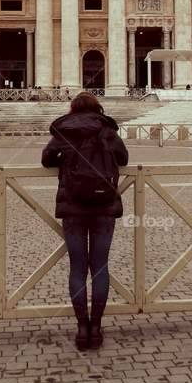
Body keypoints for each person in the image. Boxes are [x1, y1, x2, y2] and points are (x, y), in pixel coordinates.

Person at [42, 92, 129, 351]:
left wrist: (66, 160)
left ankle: (82, 329)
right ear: (97, 108)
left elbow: (46, 160)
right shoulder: (107, 130)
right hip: (103, 205)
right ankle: (97, 328)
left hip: (73, 206)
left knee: (78, 268)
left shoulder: (64, 132)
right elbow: (124, 159)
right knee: (100, 267)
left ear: (72, 109)